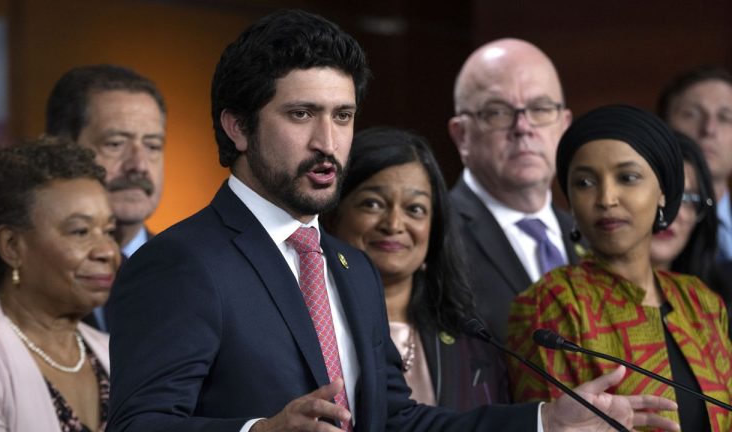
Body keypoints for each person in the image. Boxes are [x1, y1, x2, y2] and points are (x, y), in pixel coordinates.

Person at [107, 10, 679, 432]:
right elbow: (139, 425)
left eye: (343, 116)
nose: (327, 142)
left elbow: (399, 421)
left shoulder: (351, 266)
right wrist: (260, 431)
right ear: (237, 127)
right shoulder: (181, 261)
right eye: (301, 114)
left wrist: (542, 422)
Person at [507, 105, 732, 431]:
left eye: (627, 178)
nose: (606, 198)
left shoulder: (700, 301)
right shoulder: (551, 301)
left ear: (663, 193)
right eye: (584, 182)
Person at [0, 64, 167, 331]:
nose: (138, 164)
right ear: (61, 149)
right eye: (115, 144)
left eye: (153, 146)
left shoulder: (189, 273)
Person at [326, 127, 510, 410]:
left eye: (414, 209)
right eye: (372, 203)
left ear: (433, 231)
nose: (394, 224)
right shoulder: (309, 326)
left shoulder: (473, 343)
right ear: (334, 216)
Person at [0, 138, 120, 431]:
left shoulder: (113, 352)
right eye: (80, 231)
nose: (107, 251)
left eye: (109, 231)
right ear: (11, 246)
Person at [447, 38, 581, 343]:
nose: (523, 127)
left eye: (541, 108)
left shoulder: (591, 236)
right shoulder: (434, 237)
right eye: (498, 112)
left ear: (563, 125)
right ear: (462, 135)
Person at [650, 131, 732, 313]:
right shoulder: (581, 297)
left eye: (687, 198)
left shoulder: (719, 301)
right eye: (661, 192)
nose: (673, 212)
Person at [658, 66, 732, 263]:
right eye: (691, 114)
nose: (709, 129)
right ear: (662, 125)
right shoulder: (654, 231)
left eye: (726, 118)